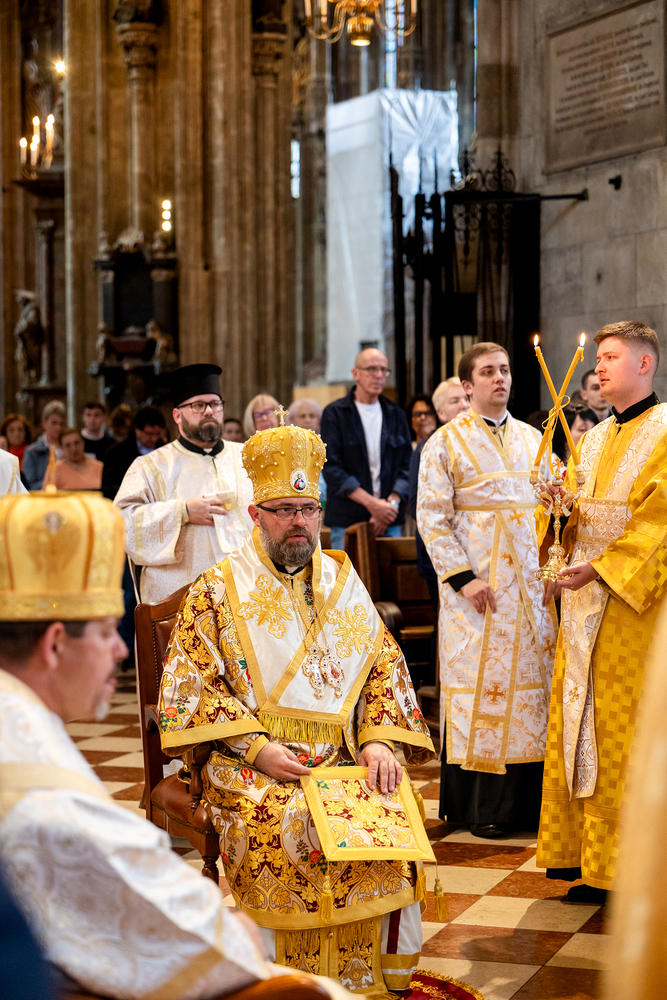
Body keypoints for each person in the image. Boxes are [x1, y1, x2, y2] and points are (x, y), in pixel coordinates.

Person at [0, 490, 347, 1000]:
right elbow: (144, 901)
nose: (121, 650)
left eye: (308, 509)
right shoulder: (38, 781)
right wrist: (234, 938)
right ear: (54, 644)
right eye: (106, 631)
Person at [158, 413, 434, 993]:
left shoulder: (342, 581)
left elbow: (382, 665)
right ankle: (282, 984)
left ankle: (371, 982)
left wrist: (378, 739)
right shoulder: (216, 589)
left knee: (391, 808)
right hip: (250, 759)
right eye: (284, 510)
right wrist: (257, 748)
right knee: (286, 818)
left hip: (344, 753)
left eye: (309, 510)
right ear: (255, 514)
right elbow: (191, 690)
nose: (299, 523)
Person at [536, 321, 667, 904]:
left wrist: (601, 568)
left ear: (645, 363)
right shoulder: (590, 439)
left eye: (612, 356)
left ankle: (632, 868)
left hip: (634, 608)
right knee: (581, 725)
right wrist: (558, 511)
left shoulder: (665, 431)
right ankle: (591, 862)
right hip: (583, 602)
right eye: (599, 358)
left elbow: (659, 524)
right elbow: (574, 514)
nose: (600, 367)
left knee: (622, 730)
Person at [417, 342, 557, 838]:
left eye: (505, 370)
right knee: (482, 692)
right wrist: (463, 578)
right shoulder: (444, 443)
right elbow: (432, 519)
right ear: (467, 385)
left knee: (532, 696)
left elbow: (557, 511)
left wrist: (557, 551)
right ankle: (486, 807)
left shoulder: (534, 439)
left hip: (532, 596)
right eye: (488, 372)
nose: (500, 378)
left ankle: (534, 805)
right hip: (479, 595)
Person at [115, 364, 254, 603]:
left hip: (245, 591)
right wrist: (183, 511)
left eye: (215, 404)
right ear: (177, 415)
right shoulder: (150, 466)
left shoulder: (249, 458)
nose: (209, 411)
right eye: (198, 405)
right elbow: (121, 521)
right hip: (178, 599)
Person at [408, 379, 469, 689]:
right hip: (439, 558)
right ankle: (440, 693)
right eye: (455, 401)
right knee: (445, 624)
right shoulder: (432, 446)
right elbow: (417, 506)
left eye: (466, 398)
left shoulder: (474, 442)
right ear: (441, 412)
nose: (464, 405)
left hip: (473, 555)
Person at [320, 349, 412, 551]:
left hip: (389, 519)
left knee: (392, 572)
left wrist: (390, 506)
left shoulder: (395, 414)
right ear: (356, 373)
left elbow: (407, 466)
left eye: (383, 370)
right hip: (347, 519)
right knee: (346, 572)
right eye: (371, 369)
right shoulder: (335, 413)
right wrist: (373, 505)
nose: (378, 375)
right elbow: (332, 468)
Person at [101, 406, 167, 501]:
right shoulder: (116, 452)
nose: (154, 439)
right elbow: (109, 489)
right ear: (137, 430)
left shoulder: (166, 451)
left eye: (157, 434)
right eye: (149, 434)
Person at [22, 400, 66, 490]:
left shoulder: (70, 448)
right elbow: (29, 484)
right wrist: (53, 485)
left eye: (62, 423)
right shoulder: (32, 452)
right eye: (54, 423)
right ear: (44, 423)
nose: (58, 427)